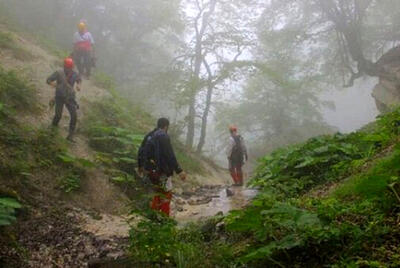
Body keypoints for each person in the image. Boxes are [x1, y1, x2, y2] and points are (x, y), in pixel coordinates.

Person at [138, 118, 187, 216]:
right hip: (161, 170)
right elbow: (169, 154)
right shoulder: (163, 135)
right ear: (166, 126)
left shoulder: (149, 135)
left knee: (157, 192)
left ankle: (154, 217)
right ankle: (164, 219)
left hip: (149, 170)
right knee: (166, 193)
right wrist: (179, 170)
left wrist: (140, 166)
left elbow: (141, 150)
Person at [47, 57, 81, 142]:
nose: (68, 69)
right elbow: (48, 80)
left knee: (74, 116)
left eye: (69, 67)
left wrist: (78, 85)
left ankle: (70, 135)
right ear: (64, 66)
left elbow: (79, 80)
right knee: (58, 115)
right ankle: (53, 130)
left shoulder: (75, 74)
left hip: (70, 97)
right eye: (67, 67)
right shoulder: (59, 72)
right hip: (59, 97)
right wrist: (53, 84)